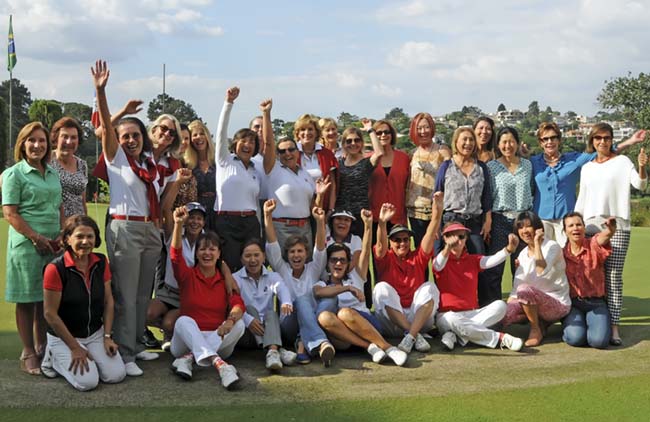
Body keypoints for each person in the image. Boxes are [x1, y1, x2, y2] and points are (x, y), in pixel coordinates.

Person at [92, 60, 162, 376]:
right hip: (125, 227)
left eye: (135, 135)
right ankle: (125, 354)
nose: (130, 140)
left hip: (150, 230)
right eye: (126, 136)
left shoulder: (149, 164)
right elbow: (105, 126)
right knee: (125, 295)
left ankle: (136, 344)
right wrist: (101, 91)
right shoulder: (117, 159)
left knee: (141, 295)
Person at [575, 124, 647, 345]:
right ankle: (597, 321)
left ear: (611, 140)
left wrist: (642, 167)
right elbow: (582, 199)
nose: (602, 142)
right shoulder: (587, 167)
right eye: (598, 138)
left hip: (618, 224)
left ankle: (614, 327)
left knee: (613, 277)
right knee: (591, 276)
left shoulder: (623, 162)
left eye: (606, 138)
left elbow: (640, 185)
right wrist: (575, 224)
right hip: (591, 227)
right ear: (592, 140)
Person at [2, 121, 63, 375]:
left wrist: (60, 234)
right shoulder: (13, 174)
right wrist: (36, 237)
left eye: (41, 141)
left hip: (53, 244)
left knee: (45, 300)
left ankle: (42, 347)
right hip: (27, 245)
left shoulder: (52, 172)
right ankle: (28, 351)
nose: (37, 145)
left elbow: (58, 206)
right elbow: (10, 213)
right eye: (31, 141)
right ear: (22, 145)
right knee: (27, 300)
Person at [41, 215, 126, 391]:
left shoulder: (101, 262)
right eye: (79, 236)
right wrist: (74, 347)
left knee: (116, 375)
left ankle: (88, 357)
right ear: (67, 239)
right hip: (64, 338)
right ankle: (52, 357)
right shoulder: (55, 269)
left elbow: (108, 300)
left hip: (94, 333)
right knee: (88, 382)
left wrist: (107, 337)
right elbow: (50, 313)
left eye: (90, 236)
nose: (85, 241)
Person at [315, 209, 408, 366]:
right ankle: (370, 347)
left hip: (368, 325)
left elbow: (365, 252)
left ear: (348, 263)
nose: (338, 264)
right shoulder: (322, 282)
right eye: (334, 260)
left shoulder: (356, 276)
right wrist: (347, 289)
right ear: (328, 263)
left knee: (344, 313)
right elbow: (318, 292)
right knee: (324, 317)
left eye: (343, 261)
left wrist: (368, 225)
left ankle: (388, 348)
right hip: (344, 338)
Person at [168, 206, 246, 389]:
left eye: (212, 249)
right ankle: (220, 365)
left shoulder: (226, 281)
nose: (207, 253)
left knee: (239, 324)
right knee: (183, 321)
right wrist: (179, 225)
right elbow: (175, 256)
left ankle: (187, 360)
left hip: (218, 338)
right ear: (196, 253)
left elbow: (238, 304)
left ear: (219, 254)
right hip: (185, 342)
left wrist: (230, 320)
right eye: (202, 249)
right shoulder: (187, 276)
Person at [531, 121, 643, 246]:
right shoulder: (533, 162)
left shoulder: (574, 160)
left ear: (559, 140)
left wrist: (631, 141)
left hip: (566, 218)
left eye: (553, 138)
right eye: (545, 139)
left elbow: (602, 151)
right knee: (541, 257)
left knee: (568, 259)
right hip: (541, 217)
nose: (549, 142)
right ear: (540, 142)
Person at [263, 199, 336, 366]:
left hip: (313, 319)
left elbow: (320, 248)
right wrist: (267, 215)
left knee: (331, 298)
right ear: (287, 255)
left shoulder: (314, 268)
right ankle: (320, 341)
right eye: (292, 252)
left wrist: (320, 222)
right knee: (302, 300)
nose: (296, 255)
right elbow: (273, 244)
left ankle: (304, 344)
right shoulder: (282, 269)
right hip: (288, 323)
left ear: (306, 253)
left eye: (300, 251)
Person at [434, 221, 524, 352]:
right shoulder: (440, 259)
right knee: (451, 318)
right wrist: (447, 248)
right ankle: (500, 339)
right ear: (445, 238)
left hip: (472, 313)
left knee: (501, 306)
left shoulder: (473, 260)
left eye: (461, 237)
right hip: (447, 316)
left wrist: (508, 250)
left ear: (466, 239)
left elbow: (491, 260)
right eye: (451, 236)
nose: (457, 241)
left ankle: (457, 335)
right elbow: (438, 265)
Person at [213, 87, 275, 271]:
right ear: (235, 144)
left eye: (252, 142)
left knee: (253, 267)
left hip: (250, 223)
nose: (248, 145)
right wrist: (228, 103)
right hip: (227, 223)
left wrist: (266, 115)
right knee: (231, 267)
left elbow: (270, 145)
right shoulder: (225, 161)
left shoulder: (256, 169)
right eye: (243, 141)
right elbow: (221, 132)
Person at [372, 195, 442, 355]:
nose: (402, 243)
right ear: (391, 242)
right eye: (397, 240)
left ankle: (410, 336)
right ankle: (414, 335)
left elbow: (430, 235)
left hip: (417, 316)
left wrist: (437, 213)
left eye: (405, 239)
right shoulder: (386, 257)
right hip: (391, 321)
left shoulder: (417, 257)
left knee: (430, 287)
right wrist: (382, 223)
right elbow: (381, 246)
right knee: (380, 288)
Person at [502, 211, 571, 346]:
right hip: (533, 302)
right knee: (501, 312)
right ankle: (495, 334)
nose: (525, 231)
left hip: (557, 304)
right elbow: (516, 290)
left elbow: (541, 271)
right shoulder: (522, 255)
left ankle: (535, 329)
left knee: (525, 290)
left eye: (528, 226)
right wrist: (504, 313)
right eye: (521, 228)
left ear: (538, 228)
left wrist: (537, 244)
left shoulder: (552, 246)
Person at [146, 197, 206, 351]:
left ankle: (169, 331)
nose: (195, 222)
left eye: (199, 219)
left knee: (169, 322)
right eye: (191, 217)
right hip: (168, 291)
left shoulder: (207, 242)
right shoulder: (175, 233)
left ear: (204, 222)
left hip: (188, 295)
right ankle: (166, 329)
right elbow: (165, 208)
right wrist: (177, 182)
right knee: (148, 313)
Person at [483, 127, 532, 306]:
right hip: (499, 220)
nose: (508, 145)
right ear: (498, 144)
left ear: (518, 143)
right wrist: (488, 219)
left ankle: (519, 310)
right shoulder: (492, 167)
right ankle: (494, 310)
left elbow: (531, 191)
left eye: (511, 141)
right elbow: (487, 195)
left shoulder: (527, 165)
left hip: (523, 222)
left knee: (521, 268)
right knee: (495, 268)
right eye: (504, 142)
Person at [233, 239, 298, 371]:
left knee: (272, 313)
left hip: (269, 326)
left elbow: (282, 289)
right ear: (241, 259)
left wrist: (286, 302)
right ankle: (277, 350)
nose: (252, 260)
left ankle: (272, 351)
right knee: (249, 309)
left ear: (264, 257)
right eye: (247, 256)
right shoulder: (235, 278)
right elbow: (232, 303)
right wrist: (248, 320)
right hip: (248, 331)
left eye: (256, 255)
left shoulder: (272, 276)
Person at [265, 137, 329, 253]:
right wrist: (267, 117)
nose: (287, 153)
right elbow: (268, 143)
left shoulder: (305, 174)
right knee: (283, 267)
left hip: (305, 227)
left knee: (306, 265)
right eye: (282, 151)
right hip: (283, 228)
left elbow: (314, 208)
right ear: (277, 154)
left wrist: (320, 195)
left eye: (291, 149)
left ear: (297, 151)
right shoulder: (273, 170)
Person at [434, 127, 492, 256]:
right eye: (464, 139)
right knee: (450, 262)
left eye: (471, 140)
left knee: (478, 259)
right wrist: (436, 225)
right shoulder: (446, 166)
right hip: (451, 220)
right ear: (456, 142)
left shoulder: (481, 167)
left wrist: (488, 221)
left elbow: (487, 196)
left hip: (474, 222)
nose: (468, 143)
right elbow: (437, 196)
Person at [562, 213, 615, 349]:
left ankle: (592, 326)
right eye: (571, 225)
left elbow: (604, 237)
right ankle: (571, 329)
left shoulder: (593, 245)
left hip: (596, 304)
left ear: (584, 228)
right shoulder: (561, 254)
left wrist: (610, 230)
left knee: (598, 342)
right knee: (575, 339)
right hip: (573, 304)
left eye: (579, 224)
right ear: (565, 231)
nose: (575, 228)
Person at [406, 112, 451, 249]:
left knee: (439, 252)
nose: (423, 131)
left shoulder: (442, 151)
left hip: (437, 210)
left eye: (426, 127)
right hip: (415, 211)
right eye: (419, 128)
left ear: (432, 128)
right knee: (420, 253)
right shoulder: (411, 154)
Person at [335, 119, 383, 238]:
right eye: (349, 141)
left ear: (361, 143)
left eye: (357, 140)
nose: (353, 143)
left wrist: (370, 130)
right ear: (344, 144)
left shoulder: (366, 162)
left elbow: (379, 153)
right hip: (341, 215)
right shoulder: (339, 162)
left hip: (360, 215)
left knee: (360, 251)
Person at [368, 120, 410, 230]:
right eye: (379, 133)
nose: (383, 135)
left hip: (398, 215)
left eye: (387, 132)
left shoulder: (404, 158)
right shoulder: (368, 159)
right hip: (375, 216)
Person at [294, 114, 338, 211]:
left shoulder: (327, 154)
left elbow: (333, 186)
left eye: (310, 129)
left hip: (322, 206)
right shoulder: (290, 153)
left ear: (317, 132)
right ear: (297, 133)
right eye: (302, 129)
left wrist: (331, 210)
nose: (306, 133)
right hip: (297, 207)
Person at [49, 117, 88, 218]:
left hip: (77, 226)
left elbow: (82, 200)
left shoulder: (82, 165)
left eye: (73, 137)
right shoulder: (46, 160)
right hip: (54, 224)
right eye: (64, 137)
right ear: (56, 138)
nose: (69, 141)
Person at [185, 119, 216, 229]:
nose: (199, 137)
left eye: (202, 133)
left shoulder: (217, 162)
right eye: (195, 135)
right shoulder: (186, 164)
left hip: (218, 212)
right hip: (196, 215)